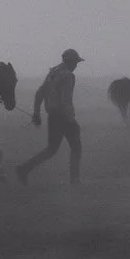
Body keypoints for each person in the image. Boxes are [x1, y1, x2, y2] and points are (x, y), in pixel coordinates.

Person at [16, 49, 85, 184]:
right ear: (70, 62)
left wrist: (36, 113)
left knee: (51, 149)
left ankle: (24, 169)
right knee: (76, 147)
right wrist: (71, 119)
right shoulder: (68, 75)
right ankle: (75, 179)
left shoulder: (52, 73)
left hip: (52, 117)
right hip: (63, 117)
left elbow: (39, 94)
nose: (76, 65)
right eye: (76, 62)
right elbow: (66, 99)